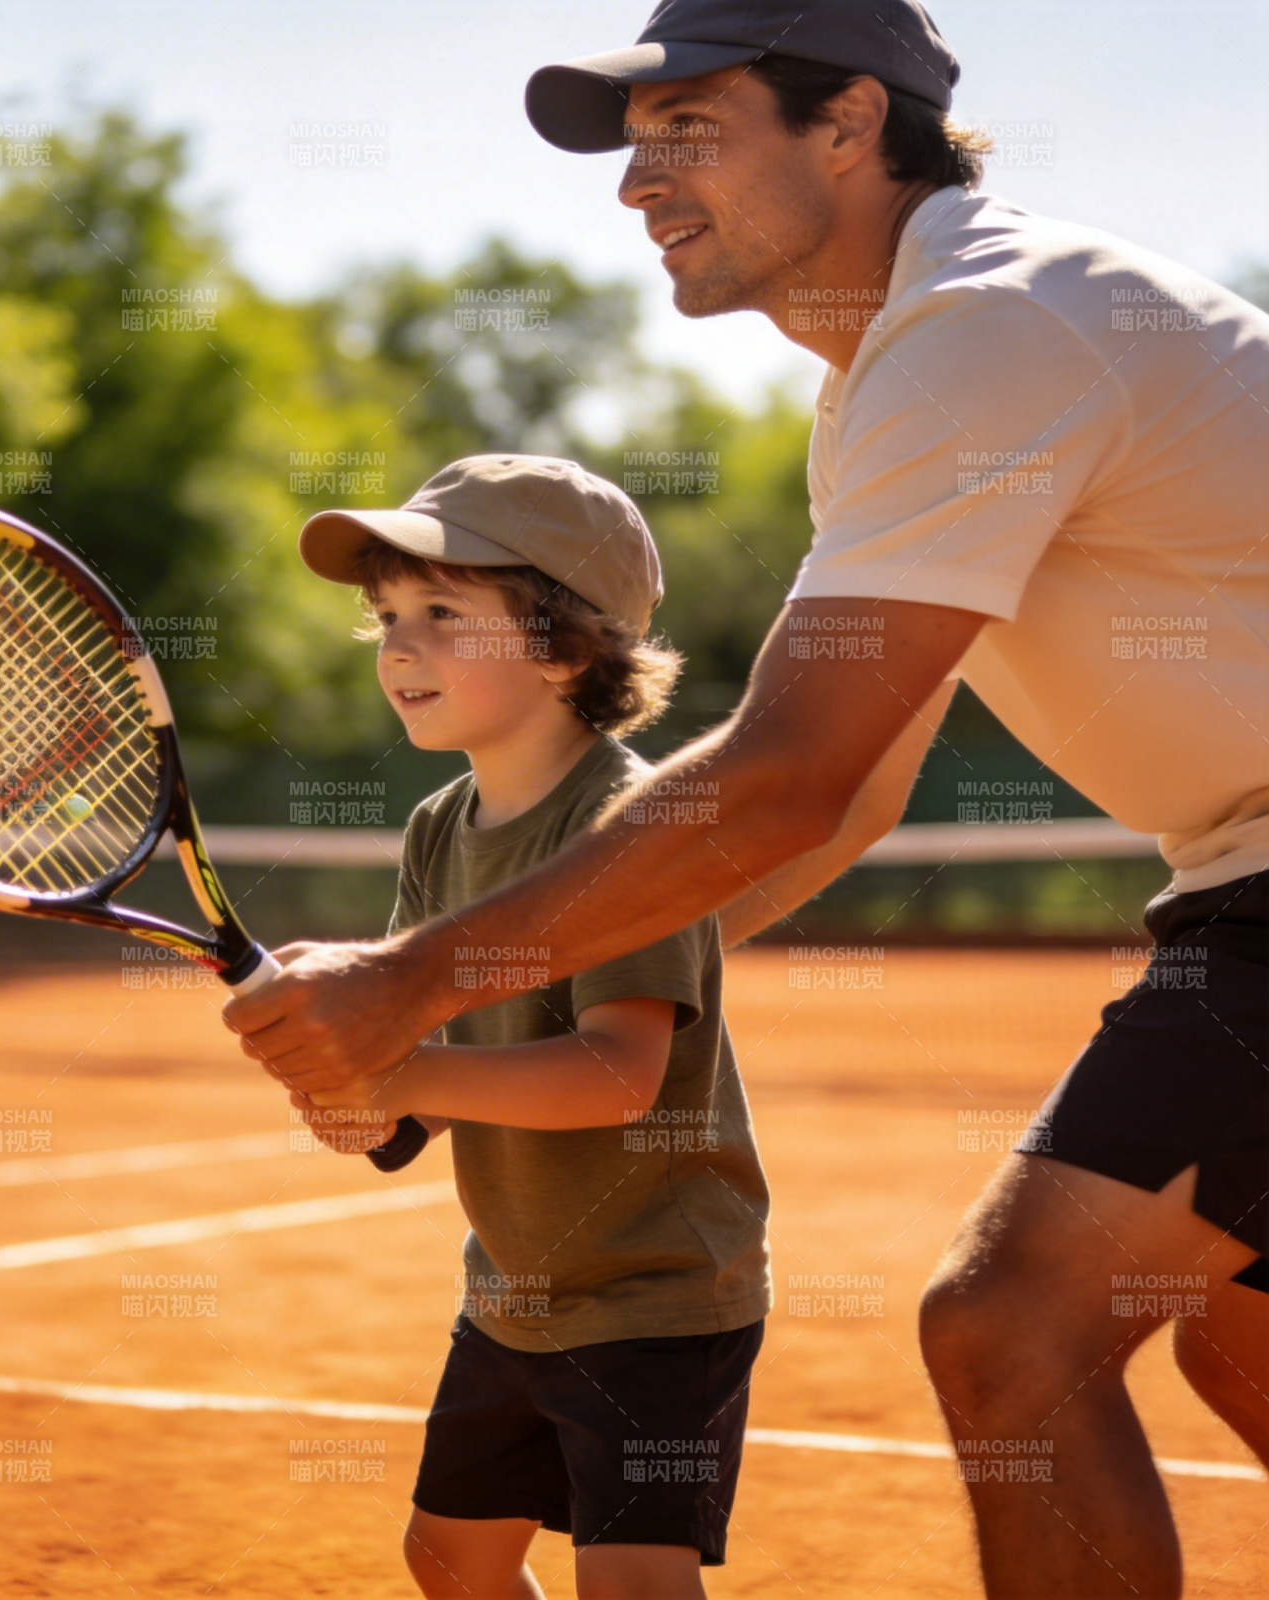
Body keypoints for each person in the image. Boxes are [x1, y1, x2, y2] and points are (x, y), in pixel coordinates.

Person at [227, 3, 1269, 1596]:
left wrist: (415, 985)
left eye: (689, 131)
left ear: (847, 124)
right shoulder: (893, 386)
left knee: (1012, 1329)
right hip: (1237, 877)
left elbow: (786, 778)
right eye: (636, 146)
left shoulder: (985, 330)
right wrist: (517, 1006)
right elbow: (853, 798)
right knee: (1241, 1340)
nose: (637, 182)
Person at [285, 454, 771, 1600]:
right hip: (513, 1285)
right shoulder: (437, 826)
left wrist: (403, 1073)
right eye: (388, 617)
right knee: (451, 1557)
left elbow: (615, 1075)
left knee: (631, 1580)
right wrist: (363, 1098)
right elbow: (419, 1055)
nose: (399, 648)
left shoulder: (633, 827)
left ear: (563, 647)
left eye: (443, 613)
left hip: (657, 1290)